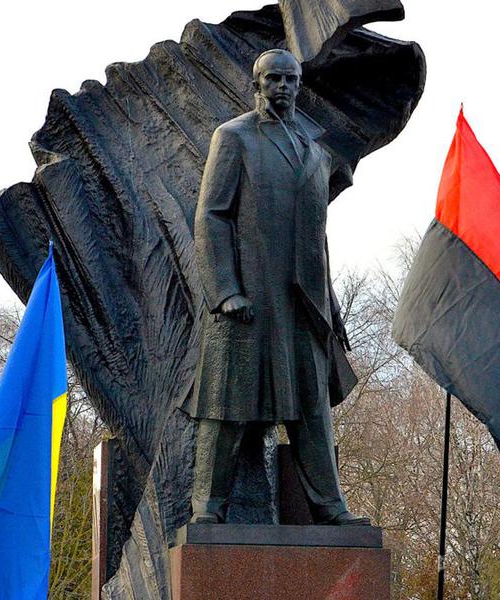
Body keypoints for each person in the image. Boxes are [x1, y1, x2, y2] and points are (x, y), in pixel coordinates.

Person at [182, 48, 369, 526]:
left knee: (312, 411)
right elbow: (211, 215)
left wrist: (332, 309)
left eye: (289, 79)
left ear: (298, 84)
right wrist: (225, 291)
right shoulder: (234, 137)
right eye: (273, 79)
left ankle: (330, 506)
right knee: (227, 406)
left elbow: (317, 238)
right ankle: (208, 507)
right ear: (257, 84)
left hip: (302, 302)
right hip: (249, 297)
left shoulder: (313, 148)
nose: (282, 87)